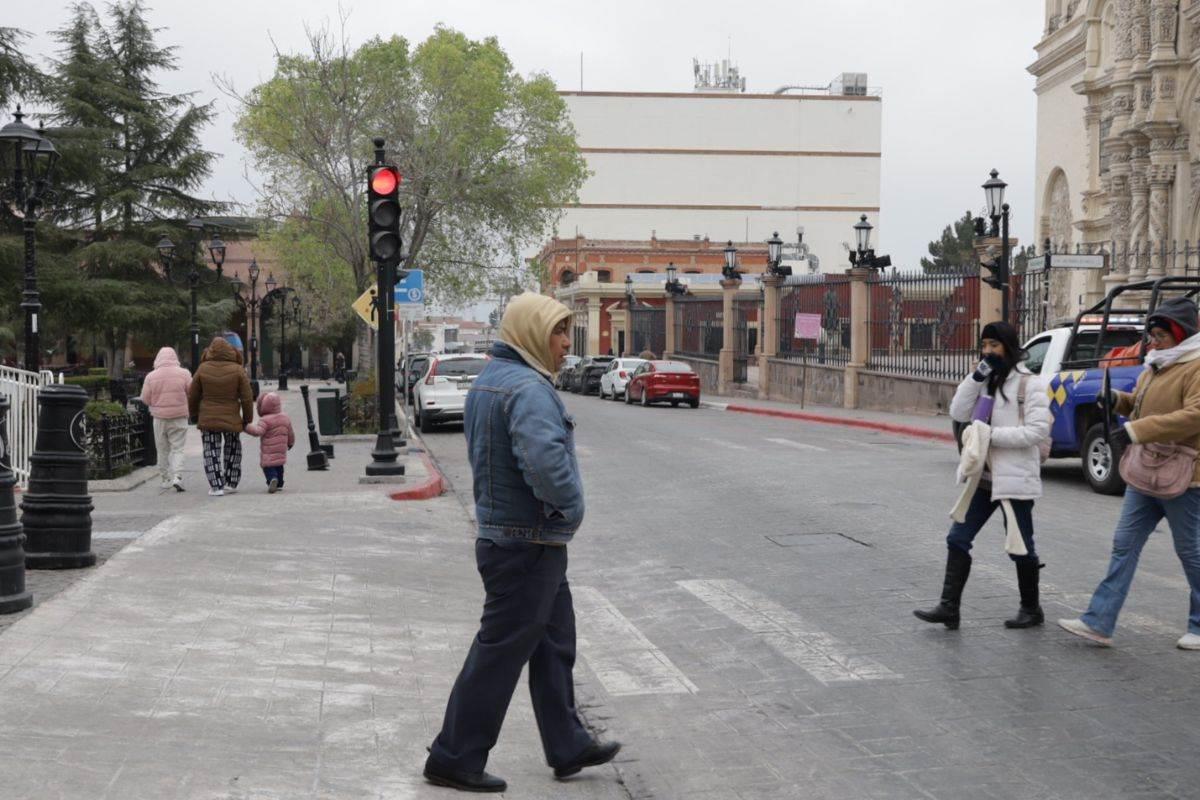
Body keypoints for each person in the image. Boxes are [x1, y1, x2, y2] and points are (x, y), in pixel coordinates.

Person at [424, 292, 621, 794]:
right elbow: (544, 465)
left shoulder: (492, 379)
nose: (564, 344)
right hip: (526, 542)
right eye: (558, 332)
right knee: (500, 651)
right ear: (533, 333)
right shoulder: (528, 389)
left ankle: (568, 742)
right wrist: (571, 508)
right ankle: (454, 755)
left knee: (554, 642)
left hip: (517, 539)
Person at [1059, 298, 1200, 650]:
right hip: (1146, 470)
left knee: (1190, 552)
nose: (1153, 342)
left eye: (1161, 335)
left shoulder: (1195, 366)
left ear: (1180, 334)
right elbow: (1137, 401)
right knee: (1124, 545)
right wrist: (1116, 399)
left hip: (1185, 475)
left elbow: (1194, 416)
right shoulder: (1155, 365)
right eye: (1151, 335)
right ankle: (1099, 622)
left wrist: (1139, 430)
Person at [914, 321, 1052, 630]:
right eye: (985, 345)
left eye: (995, 345)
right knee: (957, 538)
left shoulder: (1030, 385)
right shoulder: (985, 381)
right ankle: (949, 608)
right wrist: (975, 378)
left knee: (1021, 546)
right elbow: (959, 413)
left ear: (1009, 346)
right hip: (983, 479)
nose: (988, 352)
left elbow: (1037, 431)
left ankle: (1031, 609)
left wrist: (990, 436)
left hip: (1015, 479)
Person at [188, 337, 253, 497]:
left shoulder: (202, 369)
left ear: (210, 351)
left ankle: (216, 486)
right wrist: (247, 418)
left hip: (208, 418)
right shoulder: (238, 370)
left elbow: (193, 395)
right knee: (233, 448)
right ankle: (231, 482)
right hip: (232, 417)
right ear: (231, 352)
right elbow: (246, 397)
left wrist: (194, 415)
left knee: (211, 450)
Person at [139, 346, 192, 492]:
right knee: (178, 448)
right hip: (179, 416)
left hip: (159, 418)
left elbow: (145, 398)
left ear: (158, 359)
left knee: (162, 449)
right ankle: (178, 476)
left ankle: (165, 478)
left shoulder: (151, 376)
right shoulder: (184, 373)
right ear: (175, 358)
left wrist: (156, 404)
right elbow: (192, 392)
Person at [245, 391, 294, 493]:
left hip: (269, 450)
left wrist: (246, 427)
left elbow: (258, 432)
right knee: (279, 464)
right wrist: (290, 443)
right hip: (281, 449)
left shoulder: (265, 420)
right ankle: (280, 483)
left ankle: (272, 479)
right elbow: (290, 432)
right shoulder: (285, 417)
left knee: (268, 466)